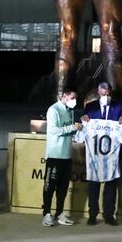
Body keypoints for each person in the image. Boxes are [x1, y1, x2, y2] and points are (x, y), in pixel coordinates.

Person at [81, 81, 122, 225]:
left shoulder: (118, 106)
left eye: (108, 93)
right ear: (98, 93)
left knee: (111, 185)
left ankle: (109, 215)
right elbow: (82, 125)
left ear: (110, 92)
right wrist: (83, 120)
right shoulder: (90, 107)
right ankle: (92, 214)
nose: (106, 95)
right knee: (93, 185)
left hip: (111, 154)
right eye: (103, 93)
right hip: (94, 153)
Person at [42, 86, 83, 227]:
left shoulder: (70, 111)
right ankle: (46, 214)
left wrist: (79, 132)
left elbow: (70, 131)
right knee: (49, 186)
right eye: (72, 98)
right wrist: (72, 128)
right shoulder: (53, 110)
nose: (74, 101)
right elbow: (53, 130)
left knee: (63, 187)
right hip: (54, 154)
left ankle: (59, 213)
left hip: (66, 155)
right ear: (64, 96)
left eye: (75, 98)